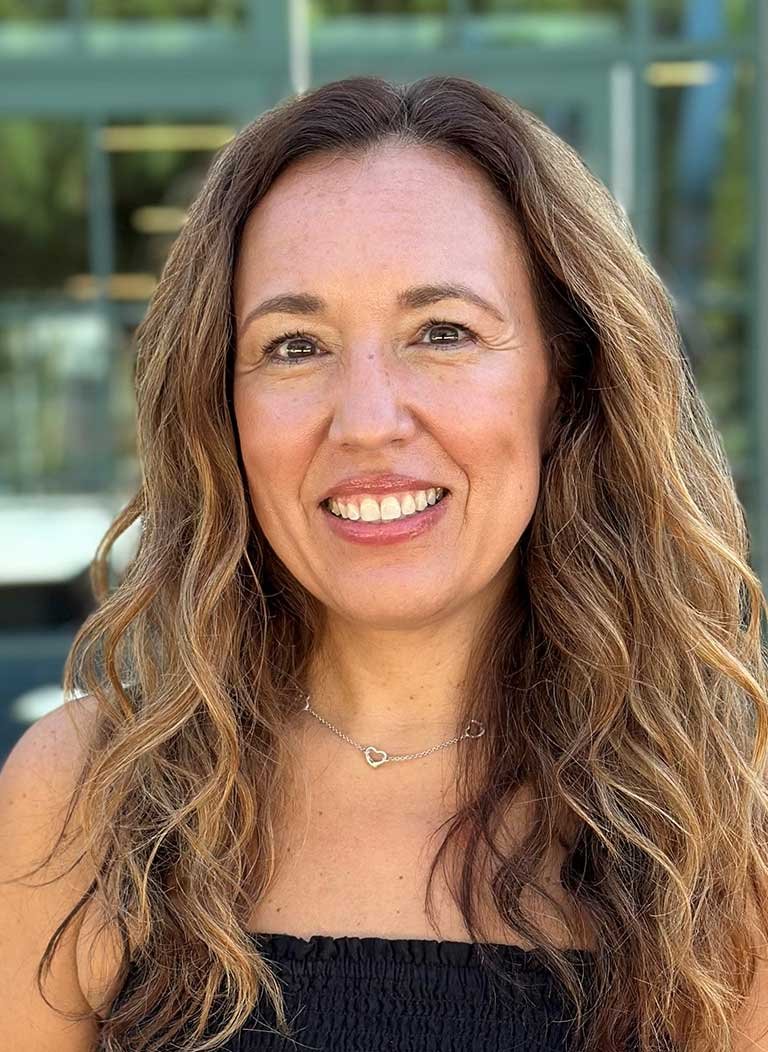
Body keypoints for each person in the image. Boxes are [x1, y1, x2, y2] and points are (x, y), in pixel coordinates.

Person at [2, 74, 768, 1052]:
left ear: (562, 379)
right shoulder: (81, 800)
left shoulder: (722, 825)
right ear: (219, 408)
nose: (366, 421)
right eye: (294, 345)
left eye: (442, 331)